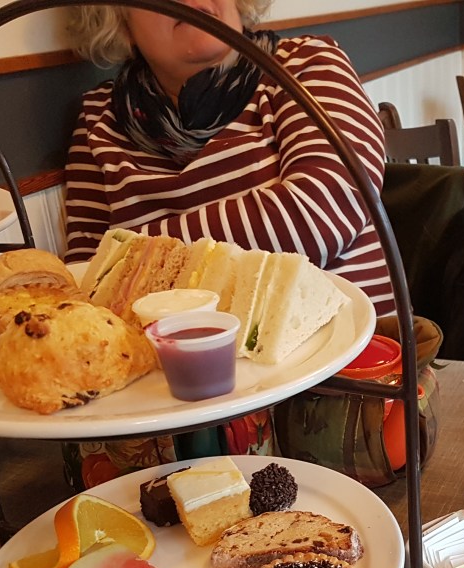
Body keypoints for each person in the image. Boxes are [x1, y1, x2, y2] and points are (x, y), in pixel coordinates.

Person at [61, 2, 393, 486]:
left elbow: (319, 214)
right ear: (116, 18)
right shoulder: (100, 119)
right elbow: (87, 291)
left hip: (343, 409)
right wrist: (123, 265)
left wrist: (137, 260)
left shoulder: (305, 67)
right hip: (173, 428)